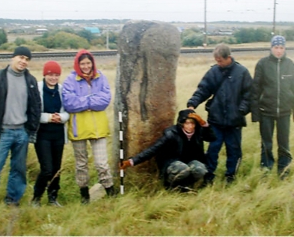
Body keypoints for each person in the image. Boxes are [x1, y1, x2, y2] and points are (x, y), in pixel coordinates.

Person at [187, 43, 252, 184]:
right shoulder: (213, 72)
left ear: (228, 57)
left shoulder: (242, 72)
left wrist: (241, 110)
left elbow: (250, 94)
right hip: (216, 120)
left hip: (234, 121)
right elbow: (203, 89)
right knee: (213, 149)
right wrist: (192, 103)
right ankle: (208, 176)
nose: (218, 63)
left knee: (233, 150)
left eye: (220, 60)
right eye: (216, 60)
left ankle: (231, 176)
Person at [62, 49, 115, 204]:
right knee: (81, 164)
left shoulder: (101, 77)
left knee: (101, 163)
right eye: (82, 63)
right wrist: (92, 100)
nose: (85, 66)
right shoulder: (70, 80)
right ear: (77, 64)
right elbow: (69, 103)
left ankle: (110, 191)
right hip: (79, 129)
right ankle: (84, 195)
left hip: (98, 129)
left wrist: (83, 101)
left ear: (92, 63)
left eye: (88, 63)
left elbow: (105, 99)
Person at [120, 109, 216, 191]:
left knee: (200, 169)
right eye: (187, 123)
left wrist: (203, 123)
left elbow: (212, 138)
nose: (190, 126)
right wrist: (131, 162)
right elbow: (153, 149)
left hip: (189, 161)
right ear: (181, 124)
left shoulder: (198, 132)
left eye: (192, 123)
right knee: (183, 169)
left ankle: (186, 185)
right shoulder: (171, 134)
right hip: (172, 162)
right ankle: (170, 186)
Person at [0, 46, 41, 206]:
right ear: (13, 57)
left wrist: (31, 129)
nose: (23, 61)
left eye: (27, 59)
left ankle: (13, 200)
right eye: (21, 57)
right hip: (2, 132)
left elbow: (36, 105)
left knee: (18, 169)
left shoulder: (30, 80)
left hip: (22, 131)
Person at [251, 35, 294, 179]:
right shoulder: (262, 64)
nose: (279, 51)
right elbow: (256, 89)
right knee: (266, 144)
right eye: (276, 47)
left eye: (281, 47)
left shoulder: (290, 64)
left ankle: (284, 170)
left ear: (284, 49)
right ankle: (266, 170)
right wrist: (255, 113)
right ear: (271, 48)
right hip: (266, 112)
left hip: (285, 112)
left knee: (284, 143)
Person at [31, 61, 69, 207]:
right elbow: (33, 113)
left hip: (58, 134)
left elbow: (68, 111)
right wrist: (48, 117)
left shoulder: (62, 89)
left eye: (56, 75)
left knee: (56, 168)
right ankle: (36, 197)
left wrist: (61, 117)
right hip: (43, 135)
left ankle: (53, 197)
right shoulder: (38, 89)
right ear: (45, 74)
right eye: (50, 74)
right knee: (46, 169)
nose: (53, 78)